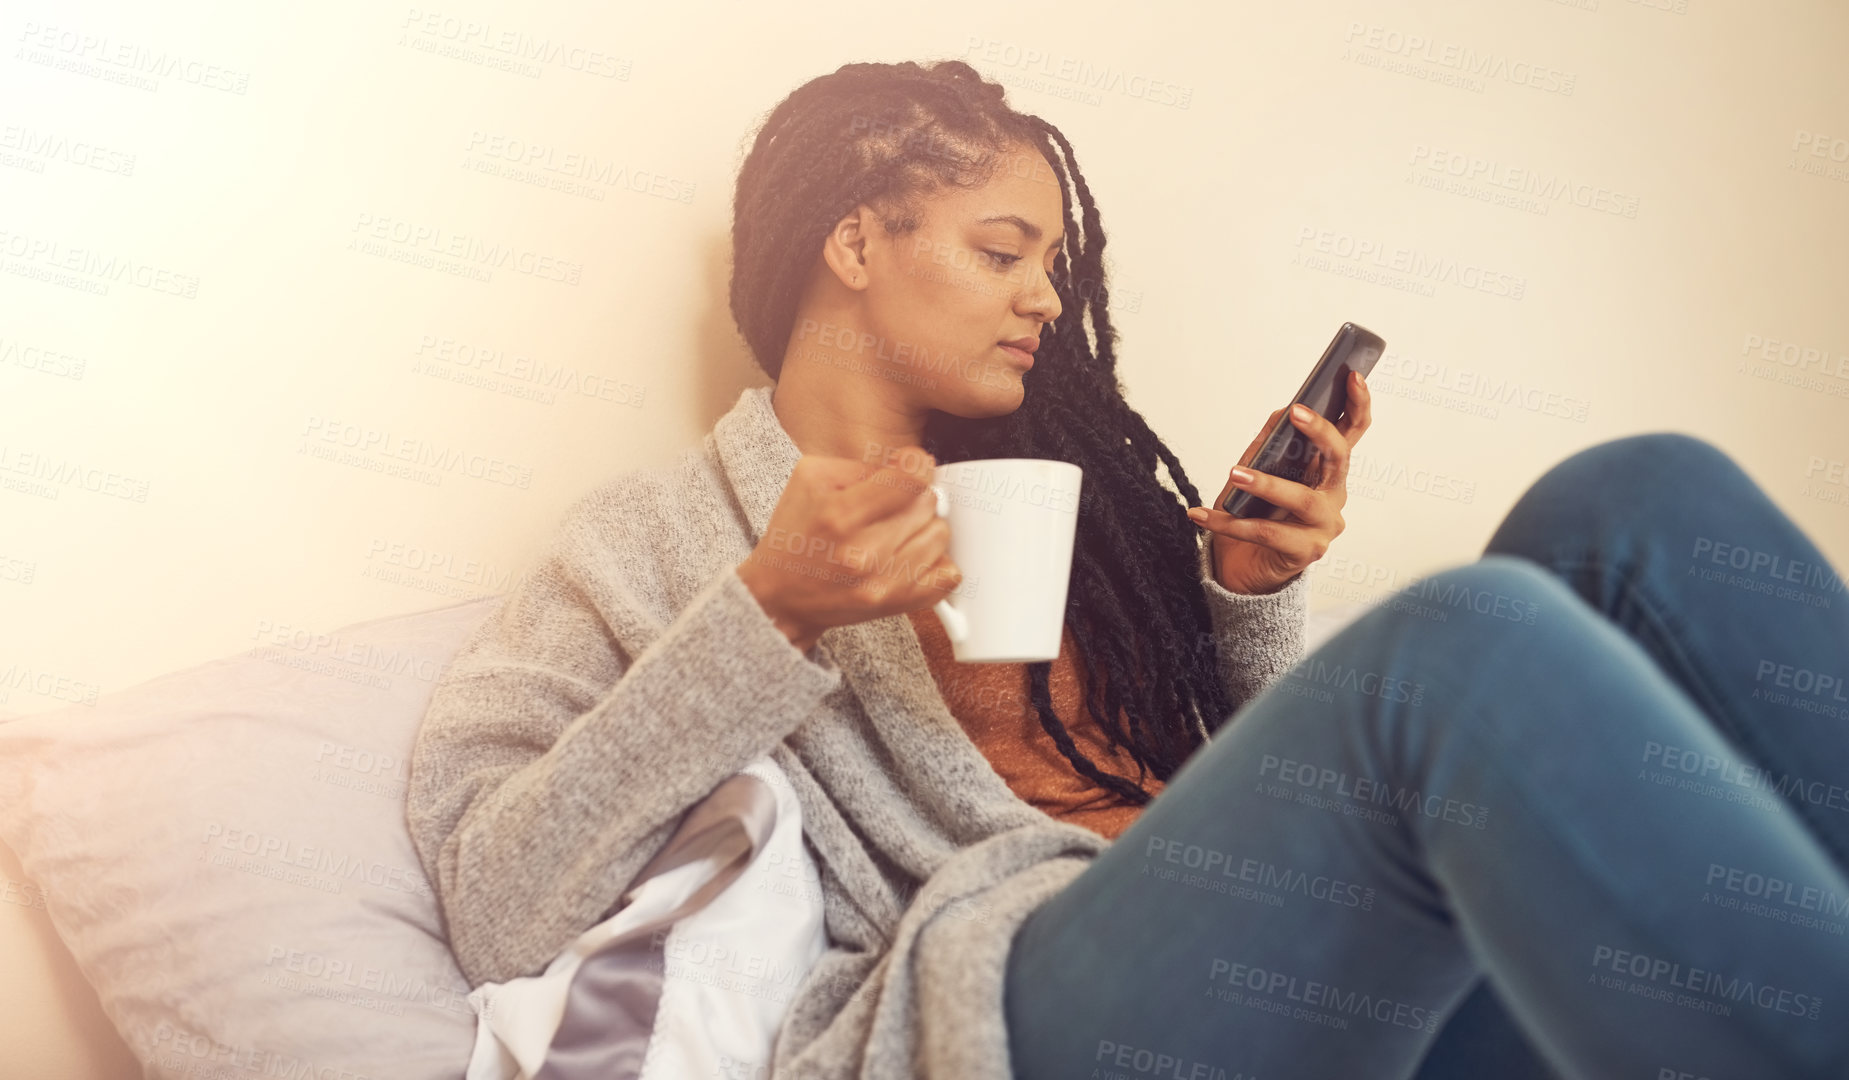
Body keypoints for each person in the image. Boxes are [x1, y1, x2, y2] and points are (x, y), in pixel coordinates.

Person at [406, 58, 1849, 1079]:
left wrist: (1241, 596)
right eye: (1000, 249)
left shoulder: (1079, 514)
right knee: (1458, 640)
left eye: (1050, 258)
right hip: (1013, 1009)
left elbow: (1245, 803)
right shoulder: (655, 546)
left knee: (1635, 497)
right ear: (852, 241)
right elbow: (497, 907)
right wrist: (767, 614)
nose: (1047, 294)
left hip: (1293, 976)